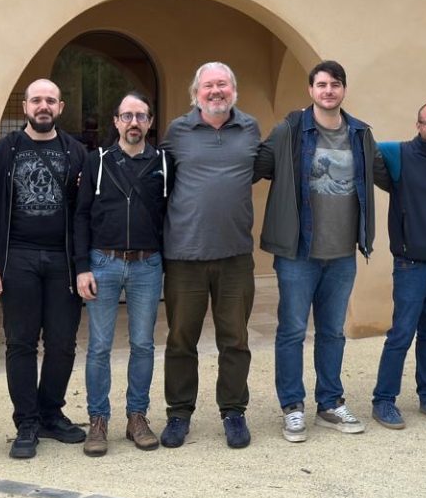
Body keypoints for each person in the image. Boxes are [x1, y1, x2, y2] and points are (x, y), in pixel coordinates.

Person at [258, 61, 380, 442]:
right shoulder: (291, 130)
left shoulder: (360, 133)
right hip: (298, 253)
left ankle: (329, 402)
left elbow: (385, 168)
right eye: (322, 84)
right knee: (292, 330)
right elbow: (256, 164)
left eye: (335, 84)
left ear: (343, 90)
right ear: (311, 90)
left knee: (332, 332)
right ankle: (292, 407)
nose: (329, 91)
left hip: (342, 253)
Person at [0, 79, 89, 458]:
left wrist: (83, 264)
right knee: (20, 342)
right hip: (17, 259)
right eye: (37, 100)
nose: (44, 106)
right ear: (25, 106)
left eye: (50, 100)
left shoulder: (76, 152)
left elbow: (85, 211)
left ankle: (50, 413)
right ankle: (26, 422)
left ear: (60, 107)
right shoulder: (3, 152)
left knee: (62, 342)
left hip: (63, 261)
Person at [159, 62, 264, 449]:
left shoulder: (250, 129)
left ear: (234, 90)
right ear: (195, 93)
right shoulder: (177, 132)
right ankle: (179, 413)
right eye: (208, 85)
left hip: (235, 255)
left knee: (235, 339)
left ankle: (233, 411)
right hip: (184, 256)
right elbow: (159, 180)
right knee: (180, 339)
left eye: (222, 84)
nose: (216, 91)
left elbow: (257, 171)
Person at [73, 91, 173, 456]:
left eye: (141, 116)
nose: (134, 123)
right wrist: (82, 267)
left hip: (148, 264)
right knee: (99, 346)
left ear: (150, 122)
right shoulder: (97, 161)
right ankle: (98, 420)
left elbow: (171, 214)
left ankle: (137, 417)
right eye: (127, 116)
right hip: (104, 262)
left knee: (143, 344)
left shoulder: (164, 163)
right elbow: (81, 216)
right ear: (116, 122)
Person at [370, 101, 426, 430]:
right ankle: (383, 400)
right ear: (418, 125)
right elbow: (363, 145)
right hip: (411, 265)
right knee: (401, 334)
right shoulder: (399, 154)